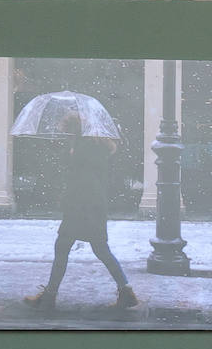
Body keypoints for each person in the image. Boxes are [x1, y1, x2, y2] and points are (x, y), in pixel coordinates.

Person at [24, 112, 138, 311]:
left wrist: (69, 160)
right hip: (89, 206)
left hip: (83, 207)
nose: (64, 133)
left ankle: (49, 297)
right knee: (95, 249)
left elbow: (83, 178)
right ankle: (126, 292)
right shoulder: (89, 146)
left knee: (71, 248)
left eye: (66, 129)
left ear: (75, 128)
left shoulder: (86, 148)